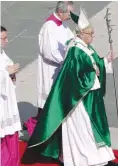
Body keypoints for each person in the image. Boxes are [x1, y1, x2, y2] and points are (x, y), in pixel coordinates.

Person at [26, 7, 118, 166]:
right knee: (85, 132)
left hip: (88, 97)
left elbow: (94, 64)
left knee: (90, 131)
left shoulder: (85, 47)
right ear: (81, 34)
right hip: (78, 101)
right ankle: (91, 161)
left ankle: (101, 160)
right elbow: (74, 75)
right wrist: (93, 71)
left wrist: (105, 61)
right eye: (90, 34)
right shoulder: (75, 50)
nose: (93, 36)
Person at [23, 1, 75, 136]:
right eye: (69, 13)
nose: (71, 15)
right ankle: (34, 127)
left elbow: (71, 40)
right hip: (50, 69)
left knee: (55, 103)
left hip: (61, 68)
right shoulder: (49, 27)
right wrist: (65, 60)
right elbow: (49, 52)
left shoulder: (63, 24)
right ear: (60, 12)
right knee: (48, 103)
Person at [0, 26, 23, 166]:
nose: (7, 41)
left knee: (10, 133)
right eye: (4, 38)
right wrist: (6, 73)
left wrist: (12, 73)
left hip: (7, 101)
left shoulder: (2, 53)